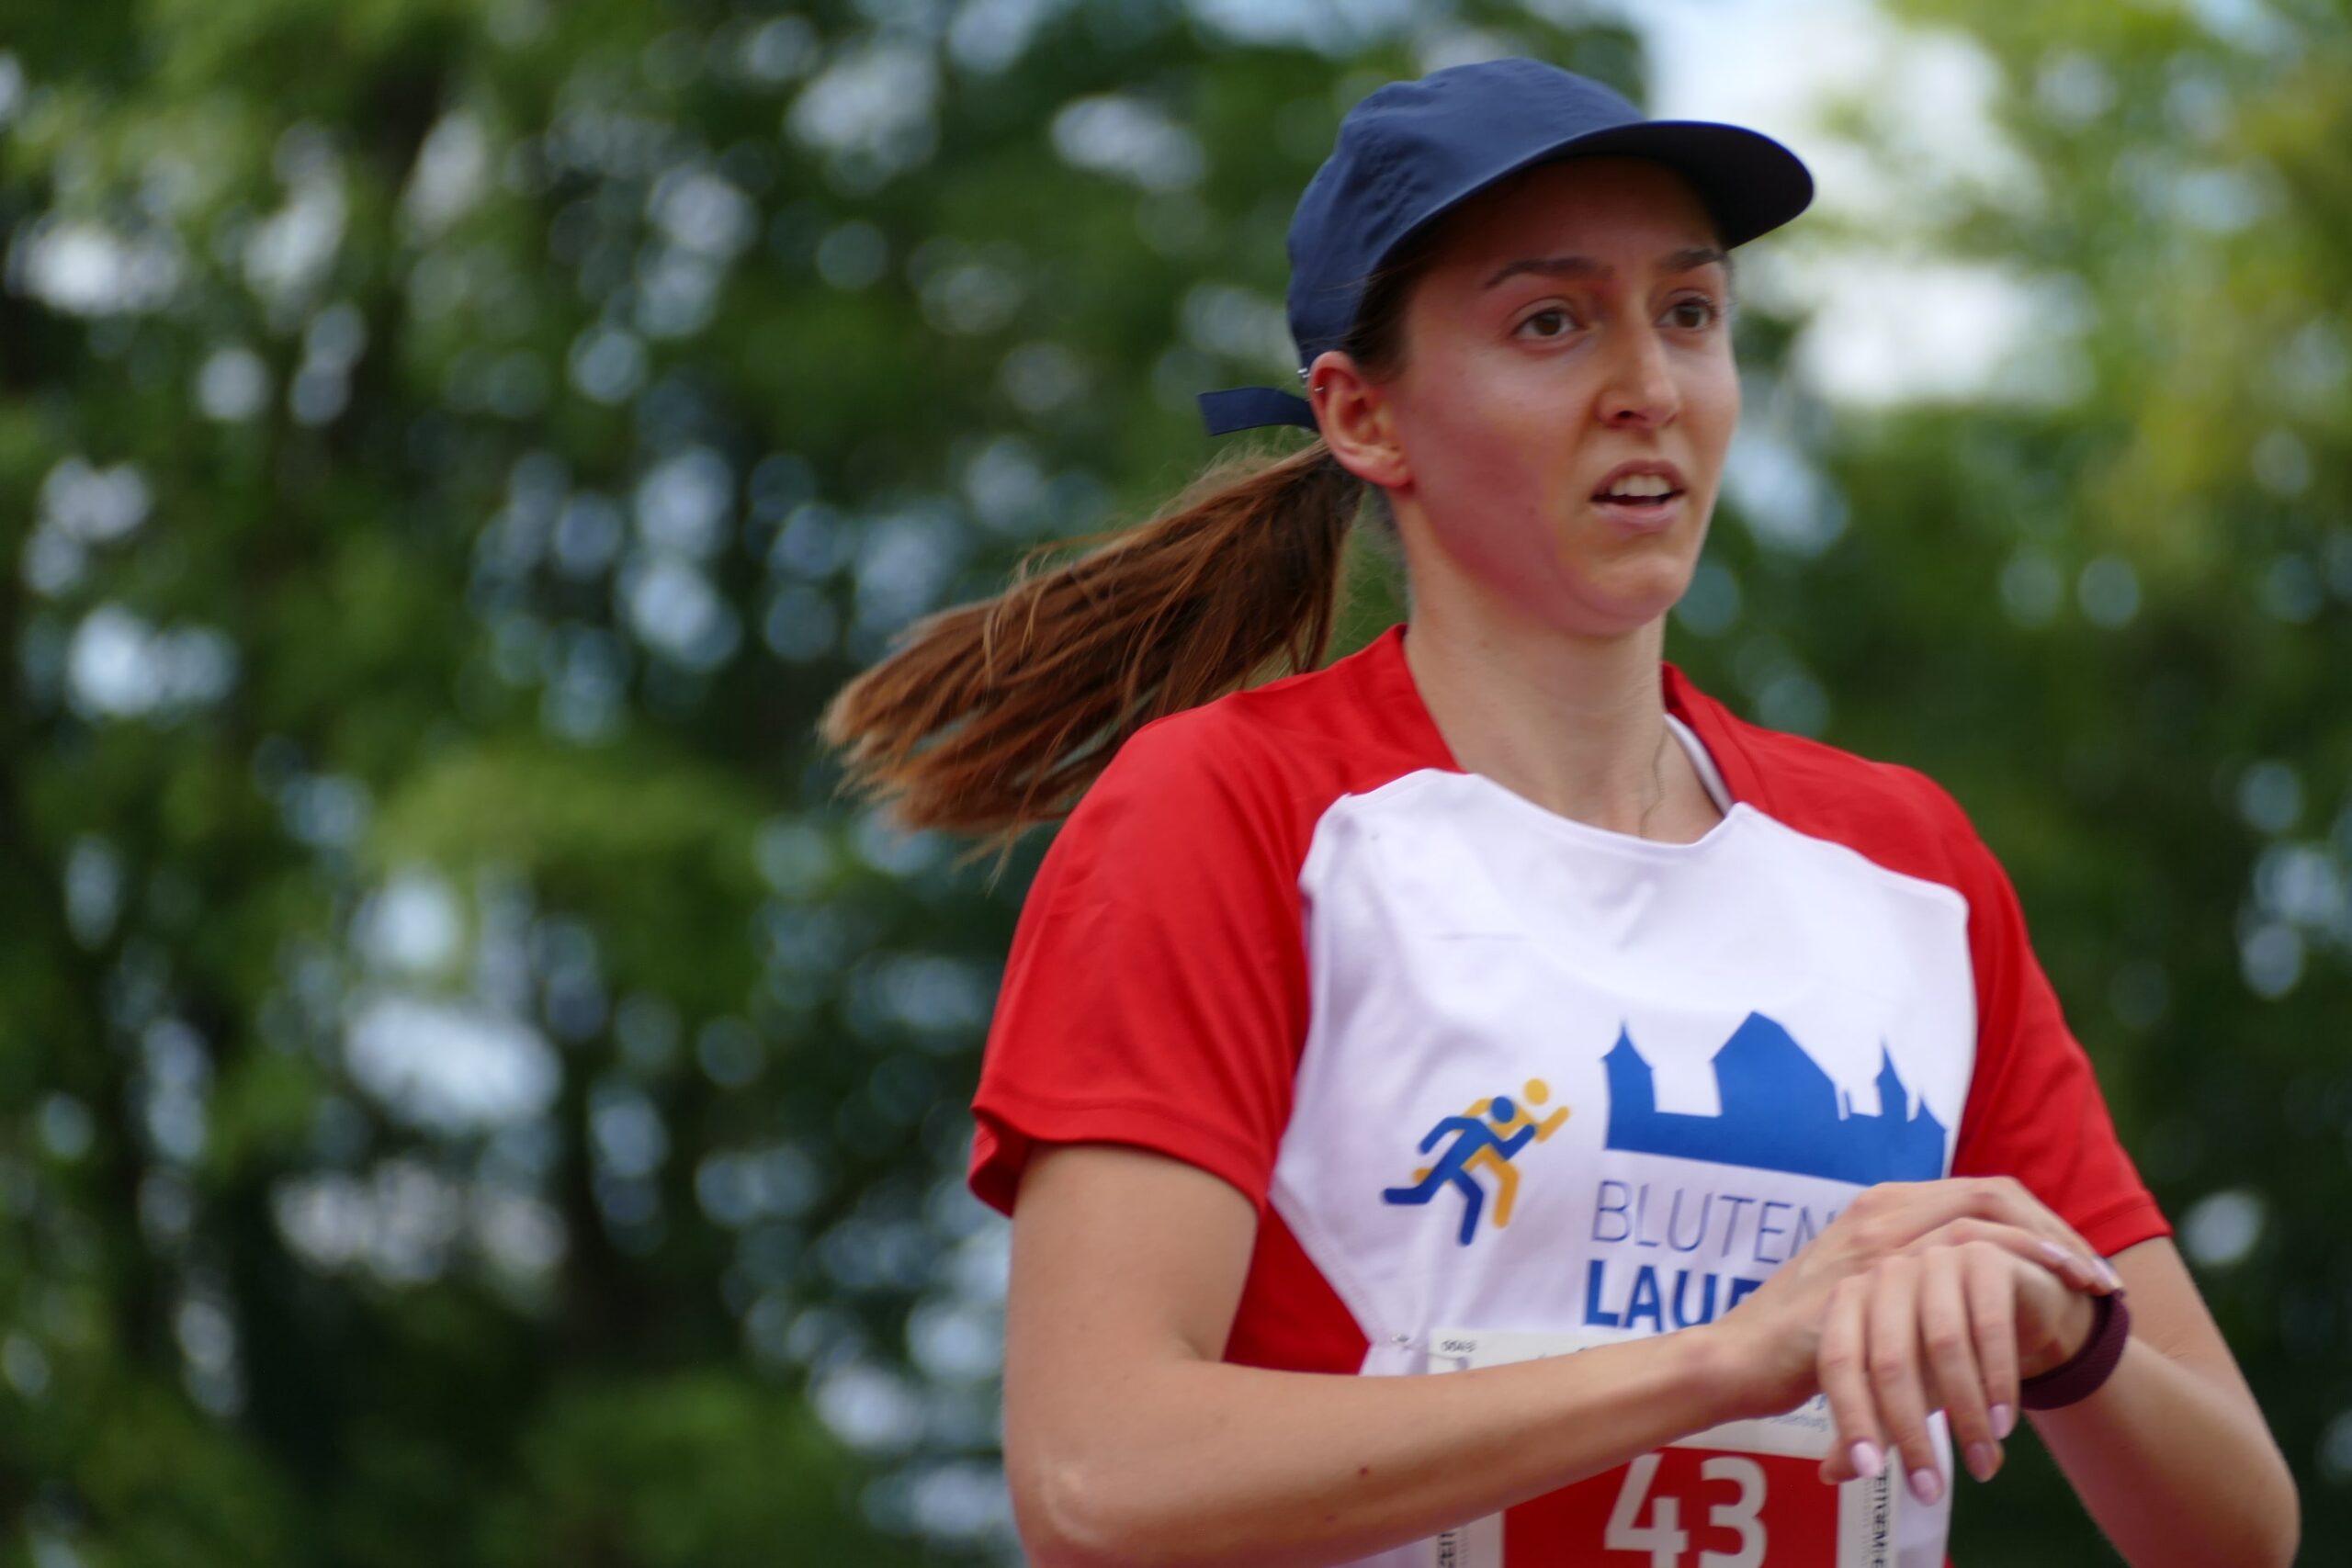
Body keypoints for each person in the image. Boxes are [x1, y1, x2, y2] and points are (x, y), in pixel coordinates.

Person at [822, 58, 2295, 1568]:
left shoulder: (1907, 865)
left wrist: (2070, 1338)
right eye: (1551, 322)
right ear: (1363, 418)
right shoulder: (1235, 813)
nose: (1651, 386)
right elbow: (1098, 1481)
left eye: (1690, 312)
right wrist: (1720, 1362)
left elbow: (2238, 1533)